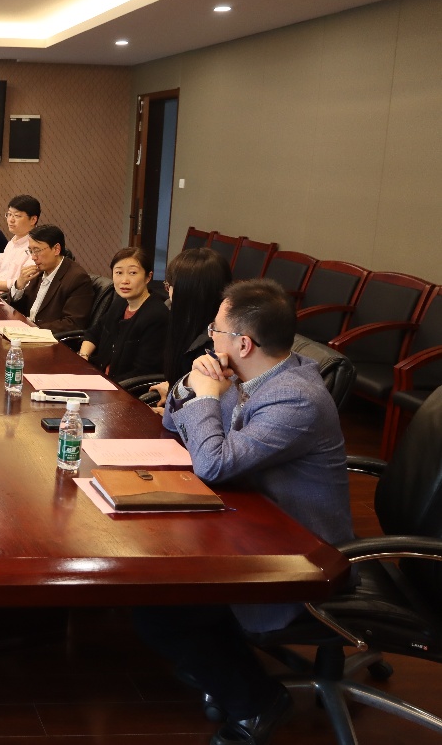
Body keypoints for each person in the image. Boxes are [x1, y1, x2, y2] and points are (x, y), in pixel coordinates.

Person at [136, 279, 351, 745]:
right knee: (159, 571)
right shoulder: (253, 375)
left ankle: (258, 702)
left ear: (244, 343)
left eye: (215, 329)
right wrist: (194, 384)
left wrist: (207, 396)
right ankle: (219, 664)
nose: (209, 336)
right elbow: (175, 422)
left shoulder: (295, 397)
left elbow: (212, 463)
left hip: (300, 552)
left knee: (158, 602)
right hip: (250, 520)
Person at [149, 247, 233, 406]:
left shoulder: (214, 346)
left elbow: (206, 403)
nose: (168, 293)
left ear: (186, 292)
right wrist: (173, 390)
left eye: (169, 285)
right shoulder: (192, 325)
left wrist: (171, 410)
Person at [77, 247, 168, 382]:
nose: (124, 280)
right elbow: (95, 332)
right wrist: (83, 356)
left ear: (148, 277)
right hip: (99, 377)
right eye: (119, 272)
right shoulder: (120, 303)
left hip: (122, 388)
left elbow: (143, 372)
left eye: (132, 273)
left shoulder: (157, 315)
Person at [6, 224, 94, 333]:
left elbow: (73, 323)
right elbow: (20, 309)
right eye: (30, 251)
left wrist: (32, 330)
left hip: (47, 338)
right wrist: (19, 285)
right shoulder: (39, 271)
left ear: (56, 249)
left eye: (37, 250)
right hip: (25, 331)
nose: (33, 257)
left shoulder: (77, 278)